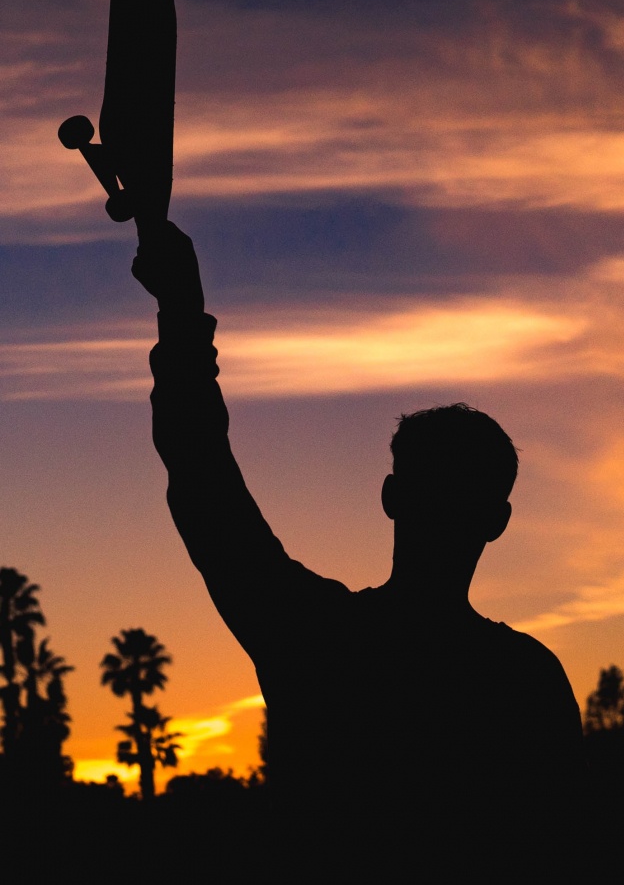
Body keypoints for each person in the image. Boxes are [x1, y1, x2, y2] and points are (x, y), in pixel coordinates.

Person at [133, 222, 584, 873]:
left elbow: (202, 482)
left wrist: (180, 310)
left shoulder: (317, 638)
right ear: (497, 521)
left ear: (391, 498)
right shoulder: (527, 678)